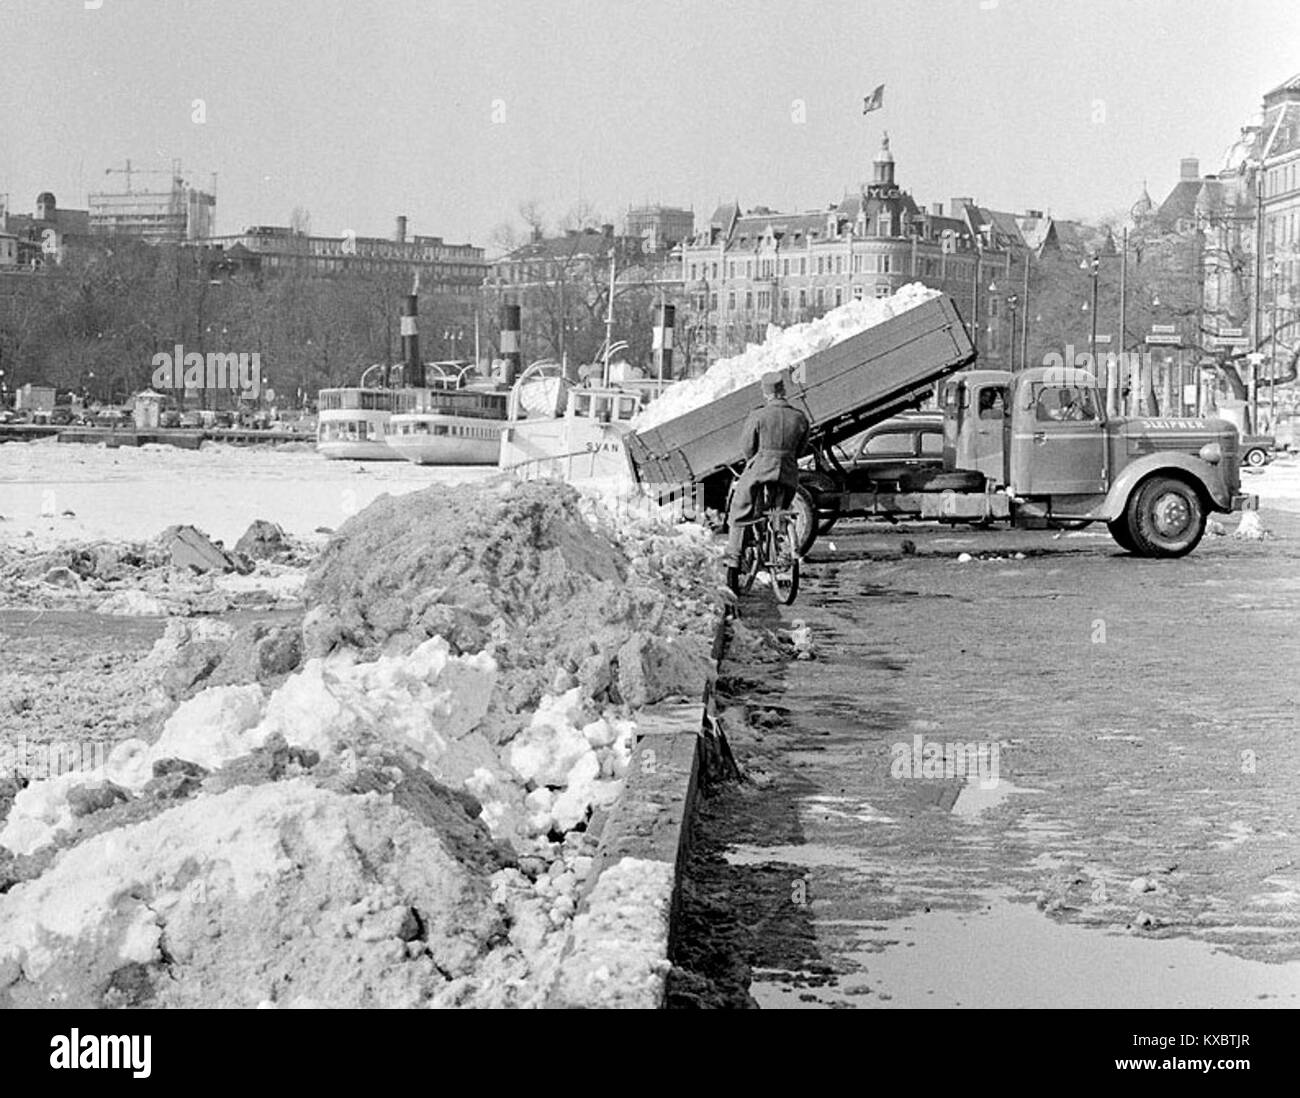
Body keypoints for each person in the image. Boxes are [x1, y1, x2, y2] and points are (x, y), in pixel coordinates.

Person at [723, 371, 811, 590]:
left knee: (740, 510)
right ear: (783, 391)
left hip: (761, 469)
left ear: (766, 392)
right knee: (780, 508)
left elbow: (747, 447)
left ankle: (733, 561)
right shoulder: (799, 417)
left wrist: (758, 459)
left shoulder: (758, 416)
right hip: (788, 472)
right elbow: (802, 448)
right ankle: (779, 537)